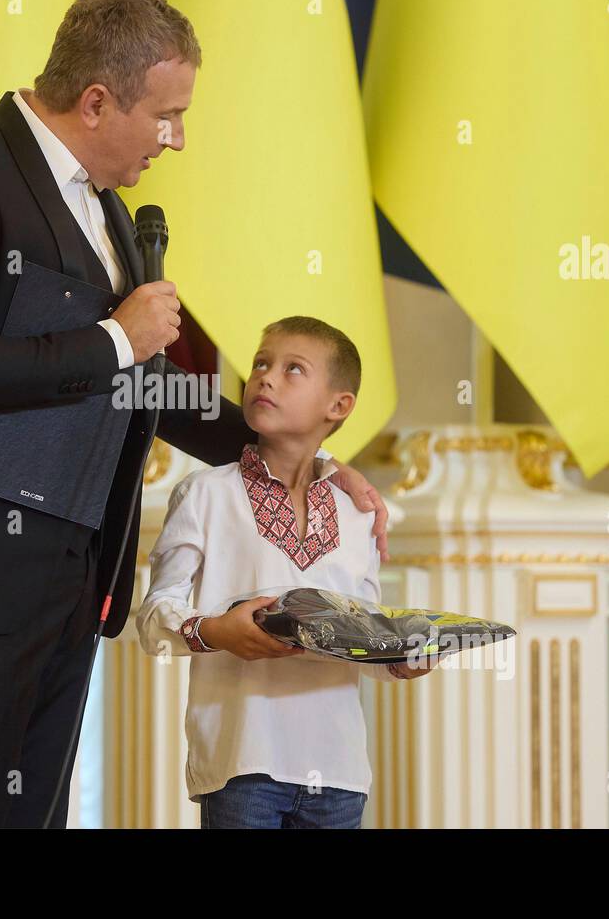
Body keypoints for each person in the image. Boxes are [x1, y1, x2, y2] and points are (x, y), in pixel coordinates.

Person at [0, 0, 392, 828]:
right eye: (168, 115)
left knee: (37, 812)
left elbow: (146, 387)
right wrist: (115, 336)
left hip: (70, 573)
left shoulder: (105, 207)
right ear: (97, 101)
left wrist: (303, 457)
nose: (177, 139)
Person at [137, 317, 434, 829]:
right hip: (241, 766)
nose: (265, 378)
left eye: (292, 369)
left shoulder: (358, 512)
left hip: (340, 773)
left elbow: (362, 634)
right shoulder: (205, 495)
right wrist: (216, 632)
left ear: (338, 406)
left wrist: (403, 659)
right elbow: (152, 621)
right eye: (260, 363)